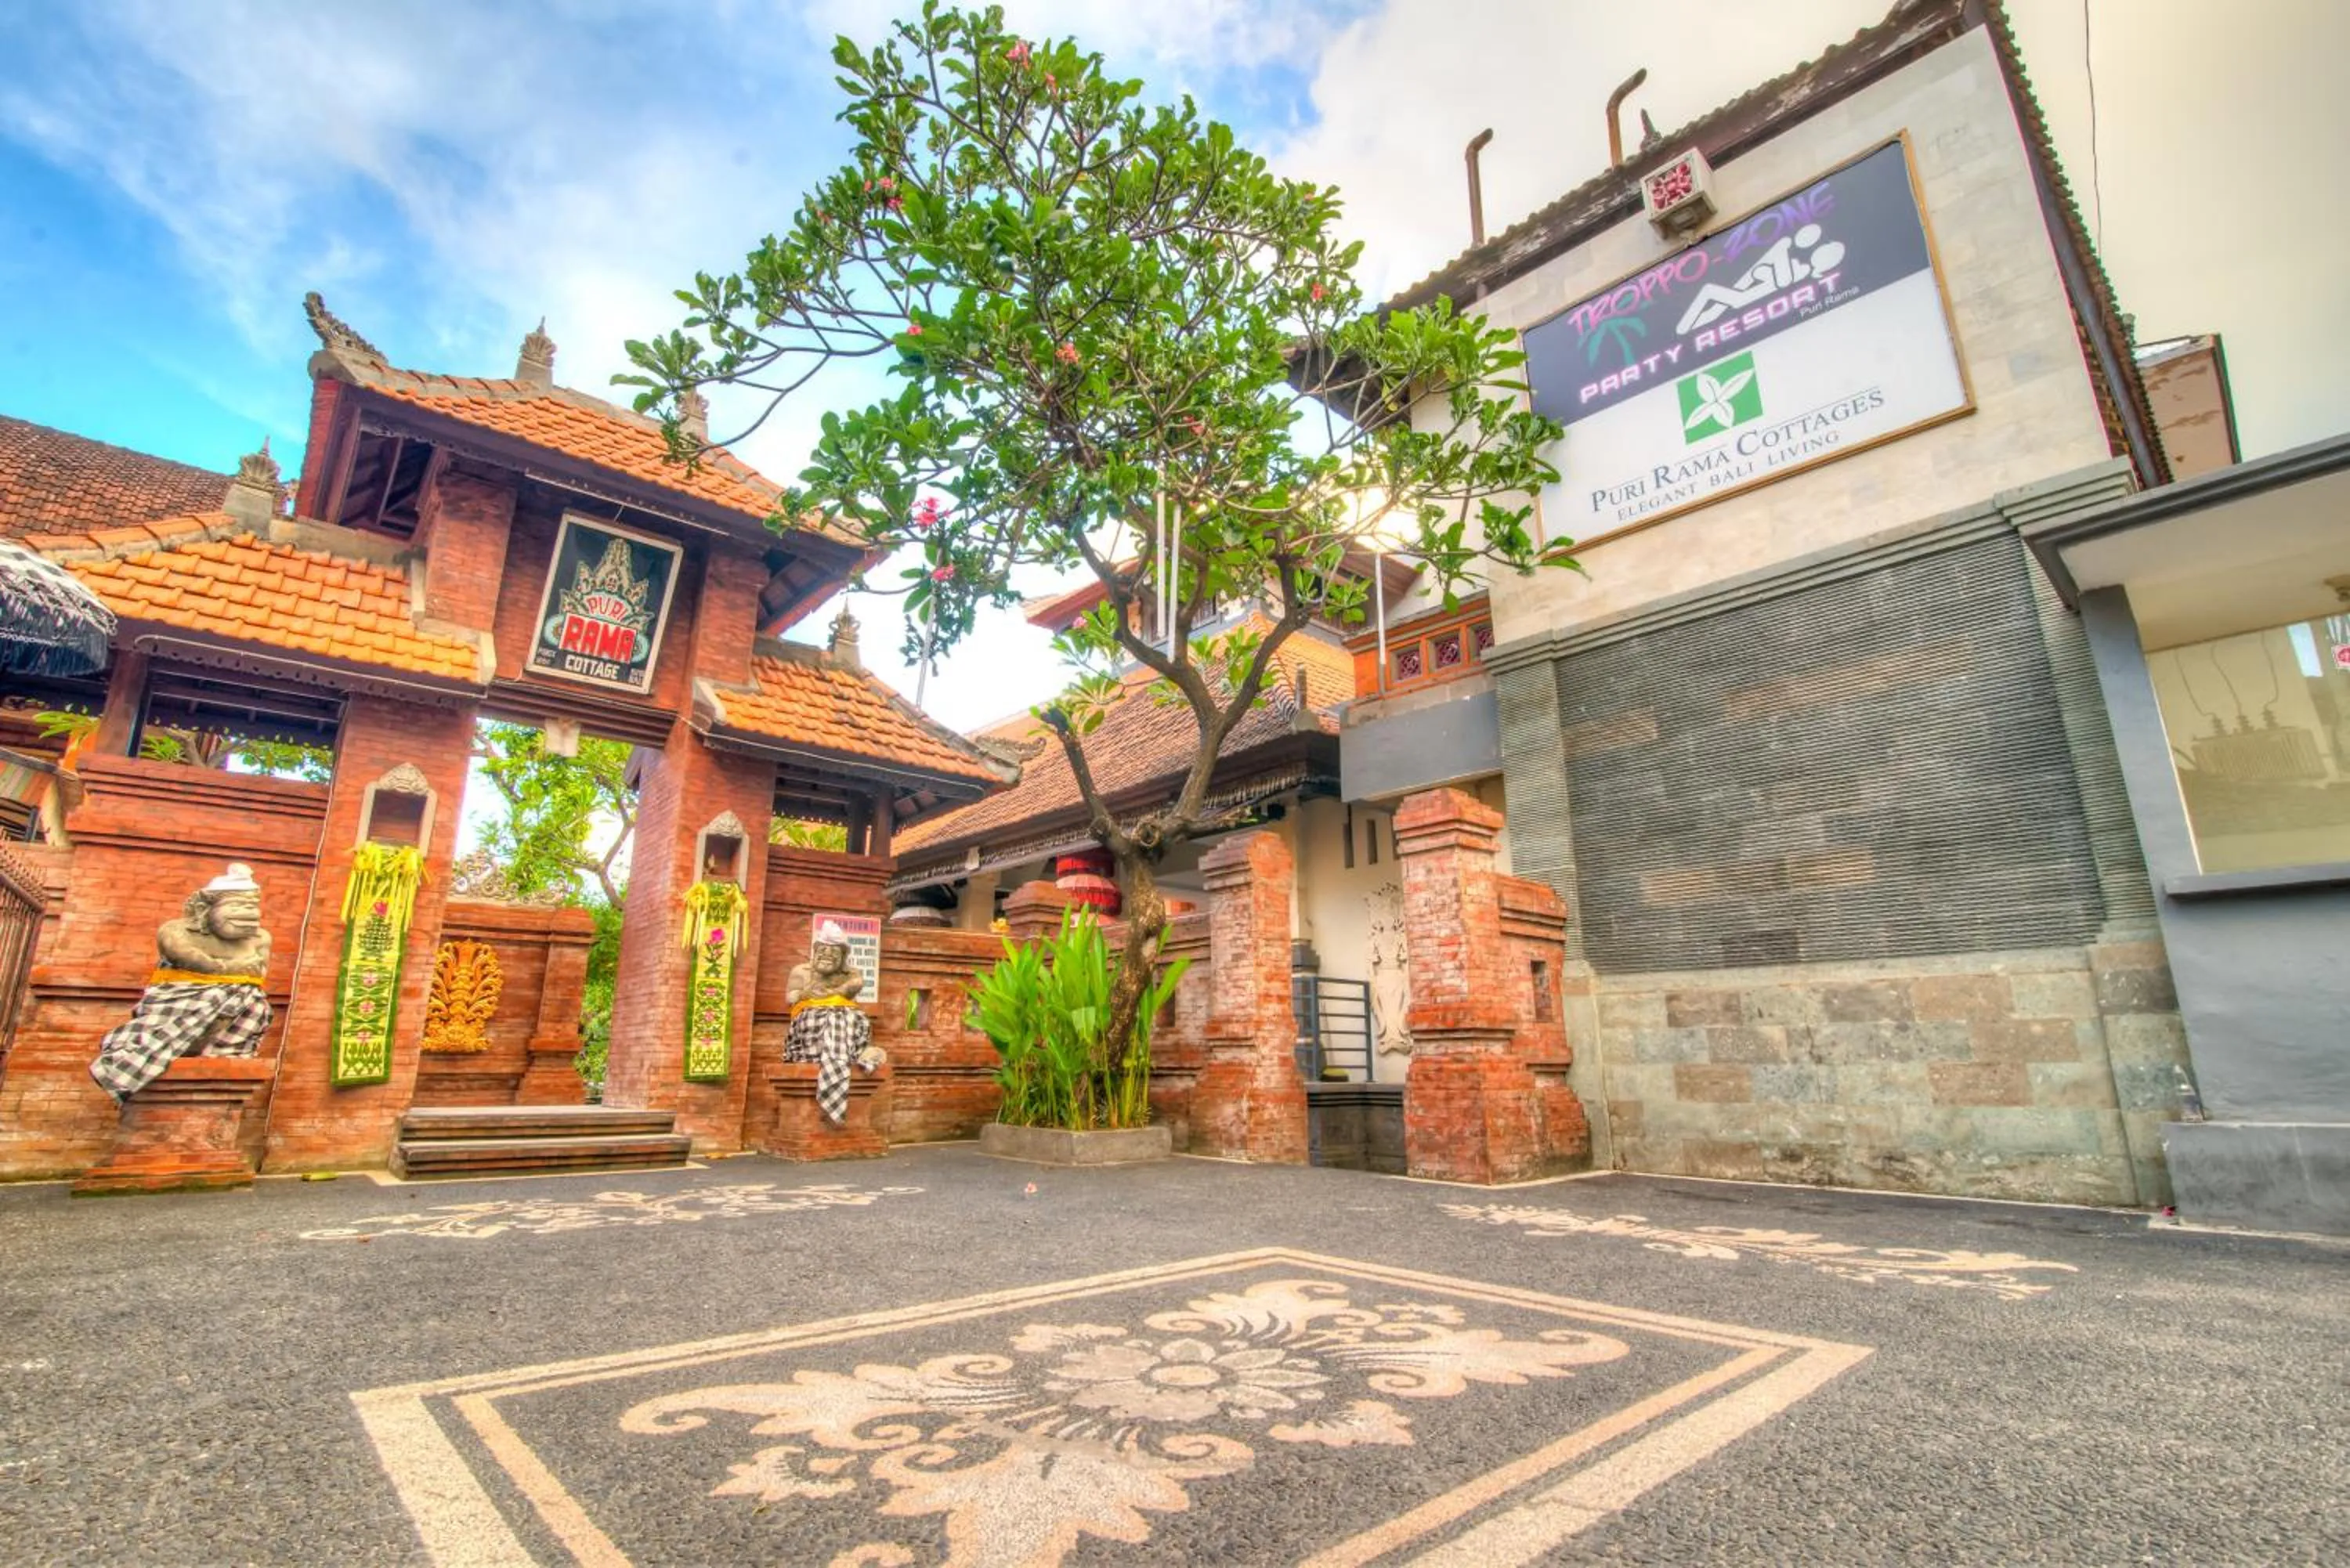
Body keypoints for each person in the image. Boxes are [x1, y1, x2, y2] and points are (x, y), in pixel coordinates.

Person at [89, 864, 273, 1104]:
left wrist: (234, 968)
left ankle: (226, 1054)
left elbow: (257, 972)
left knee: (257, 1005)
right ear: (204, 909)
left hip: (235, 1005)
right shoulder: (178, 931)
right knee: (212, 998)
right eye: (237, 905)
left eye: (252, 906)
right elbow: (193, 960)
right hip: (181, 997)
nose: (248, 913)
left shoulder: (260, 938)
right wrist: (233, 967)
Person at [785, 920, 885, 1123]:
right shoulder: (800, 971)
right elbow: (790, 998)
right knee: (830, 1019)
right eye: (823, 951)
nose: (827, 955)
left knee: (850, 1018)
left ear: (843, 957)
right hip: (810, 1019)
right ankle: (836, 1057)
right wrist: (806, 993)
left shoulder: (852, 974)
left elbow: (854, 987)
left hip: (846, 1020)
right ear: (815, 951)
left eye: (834, 953)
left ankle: (852, 1054)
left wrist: (839, 990)